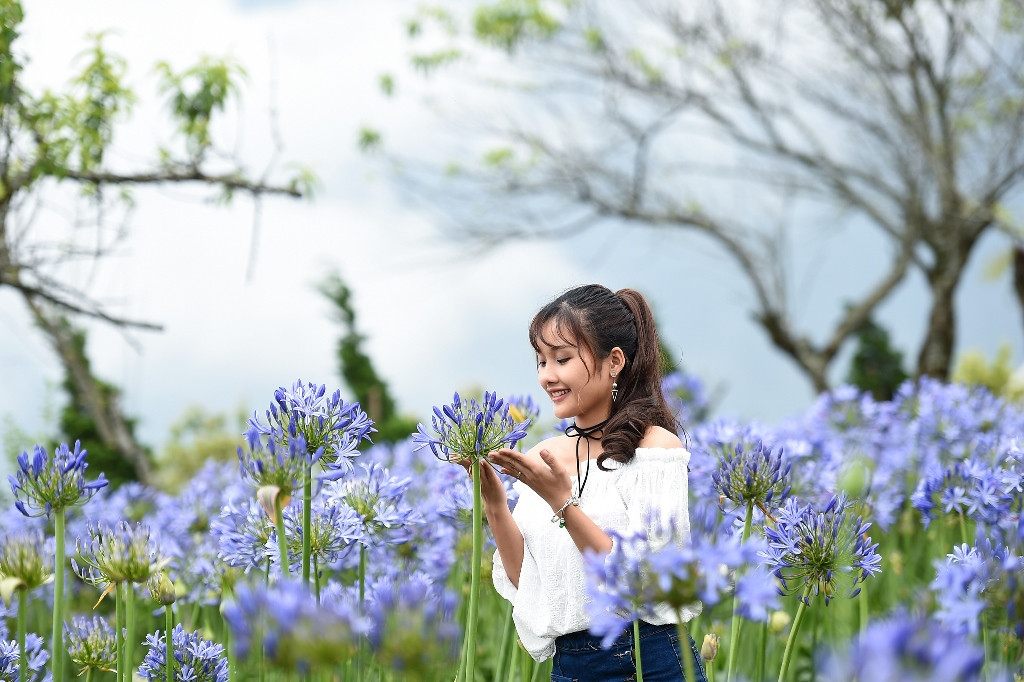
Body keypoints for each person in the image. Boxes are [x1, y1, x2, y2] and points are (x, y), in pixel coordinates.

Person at [474, 284, 707, 681]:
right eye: (541, 361)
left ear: (614, 361)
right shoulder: (541, 456)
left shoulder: (655, 450)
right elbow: (527, 581)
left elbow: (644, 582)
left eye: (562, 358)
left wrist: (563, 504)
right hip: (571, 667)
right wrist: (494, 503)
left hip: (647, 659)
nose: (548, 376)